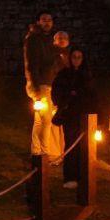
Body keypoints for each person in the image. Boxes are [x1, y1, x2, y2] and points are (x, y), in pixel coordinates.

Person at [51, 47, 98, 190]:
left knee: (85, 147)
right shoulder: (63, 74)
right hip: (70, 116)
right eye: (74, 57)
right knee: (71, 145)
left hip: (84, 117)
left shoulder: (88, 75)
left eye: (79, 57)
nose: (76, 60)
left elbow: (93, 96)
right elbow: (57, 93)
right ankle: (70, 177)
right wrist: (68, 97)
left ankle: (83, 176)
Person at [23, 14, 68, 160]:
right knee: (47, 120)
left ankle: (37, 151)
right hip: (42, 84)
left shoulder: (47, 39)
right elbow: (31, 64)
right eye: (44, 20)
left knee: (40, 120)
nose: (47, 23)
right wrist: (34, 87)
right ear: (38, 21)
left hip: (47, 82)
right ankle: (45, 153)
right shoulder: (34, 39)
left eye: (49, 20)